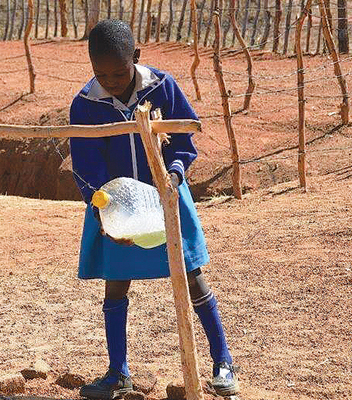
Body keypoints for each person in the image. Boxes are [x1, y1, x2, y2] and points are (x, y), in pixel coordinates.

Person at [69, 20, 239, 399]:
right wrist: (105, 214)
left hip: (166, 197)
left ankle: (223, 362)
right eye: (101, 73)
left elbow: (182, 140)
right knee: (116, 285)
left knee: (192, 277)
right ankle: (118, 372)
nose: (110, 81)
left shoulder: (163, 88)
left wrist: (173, 178)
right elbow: (85, 164)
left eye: (119, 71)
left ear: (137, 57)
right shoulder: (85, 104)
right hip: (115, 206)